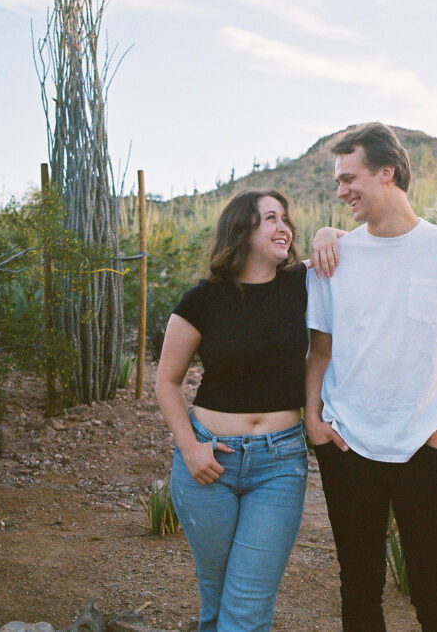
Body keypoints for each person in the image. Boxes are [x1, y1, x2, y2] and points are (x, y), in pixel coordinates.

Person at [305, 122, 437, 631]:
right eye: (338, 181)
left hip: (426, 450)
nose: (341, 191)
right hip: (348, 448)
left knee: (436, 594)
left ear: (387, 172)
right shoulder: (334, 257)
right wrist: (313, 422)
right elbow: (320, 349)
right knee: (359, 590)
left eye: (349, 178)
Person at [155, 189, 341, 632]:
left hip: (278, 465)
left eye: (287, 220)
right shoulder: (202, 300)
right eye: (271, 218)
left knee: (248, 604)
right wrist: (191, 448)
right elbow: (166, 381)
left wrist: (330, 231)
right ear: (243, 230)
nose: (285, 228)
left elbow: (351, 249)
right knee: (217, 597)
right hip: (209, 461)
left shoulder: (303, 284)